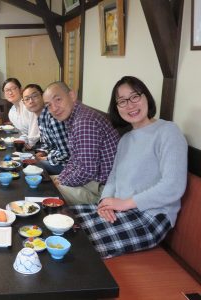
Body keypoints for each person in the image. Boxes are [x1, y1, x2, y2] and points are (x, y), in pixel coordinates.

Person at [70, 76, 188, 258]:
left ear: (146, 97)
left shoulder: (168, 131)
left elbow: (173, 185)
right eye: (122, 101)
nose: (130, 105)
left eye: (135, 97)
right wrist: (105, 202)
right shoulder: (125, 139)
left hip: (151, 217)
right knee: (60, 217)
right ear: (116, 108)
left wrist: (125, 203)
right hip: (120, 209)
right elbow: (113, 177)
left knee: (74, 244)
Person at [42, 81, 120, 204]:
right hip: (91, 181)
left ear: (72, 95)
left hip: (103, 190)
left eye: (58, 99)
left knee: (47, 193)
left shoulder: (84, 121)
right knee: (45, 182)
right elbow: (75, 159)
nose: (54, 108)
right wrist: (61, 178)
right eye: (48, 105)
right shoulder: (75, 117)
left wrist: (63, 182)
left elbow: (87, 170)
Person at [22, 84, 69, 175]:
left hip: (66, 165)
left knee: (27, 167)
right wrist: (41, 153)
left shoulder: (53, 117)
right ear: (24, 103)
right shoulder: (41, 117)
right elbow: (49, 145)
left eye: (34, 96)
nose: (31, 101)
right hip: (56, 159)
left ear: (43, 96)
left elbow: (65, 153)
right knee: (26, 162)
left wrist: (43, 158)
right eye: (27, 99)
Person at [2, 78, 40, 148]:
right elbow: (23, 133)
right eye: (7, 90)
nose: (10, 93)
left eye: (13, 89)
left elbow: (35, 129)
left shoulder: (29, 105)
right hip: (27, 143)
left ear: (20, 89)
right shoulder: (11, 112)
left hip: (38, 143)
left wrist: (30, 144)